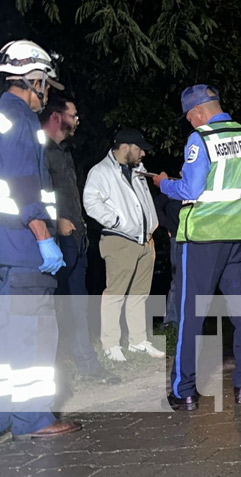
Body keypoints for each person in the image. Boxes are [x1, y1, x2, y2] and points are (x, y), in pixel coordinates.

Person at [153, 85, 241, 410]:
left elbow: (190, 187)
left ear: (199, 112)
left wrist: (164, 184)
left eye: (190, 118)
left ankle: (184, 391)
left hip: (201, 238)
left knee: (191, 315)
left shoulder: (201, 140)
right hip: (235, 238)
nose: (190, 123)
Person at [0, 39, 81, 439]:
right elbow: (22, 184)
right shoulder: (20, 119)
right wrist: (43, 235)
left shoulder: (2, 115)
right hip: (23, 247)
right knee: (32, 337)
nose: (46, 93)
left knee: (9, 339)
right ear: (33, 80)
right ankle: (32, 421)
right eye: (45, 85)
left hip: (5, 248)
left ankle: (5, 418)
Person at [40, 95, 120, 385]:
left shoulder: (63, 151)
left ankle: (87, 365)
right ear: (58, 117)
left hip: (76, 239)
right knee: (51, 309)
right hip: (52, 241)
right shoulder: (39, 150)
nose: (78, 120)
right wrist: (55, 222)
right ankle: (52, 370)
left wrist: (78, 227)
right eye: (74, 114)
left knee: (76, 305)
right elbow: (36, 194)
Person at [83, 127, 164, 362]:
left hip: (144, 240)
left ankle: (138, 341)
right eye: (140, 149)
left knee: (139, 294)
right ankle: (110, 344)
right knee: (115, 294)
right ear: (126, 147)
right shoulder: (101, 171)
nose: (143, 154)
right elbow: (91, 202)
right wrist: (117, 222)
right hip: (120, 240)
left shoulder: (138, 170)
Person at [153, 191, 181, 328]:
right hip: (177, 238)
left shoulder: (198, 184)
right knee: (177, 280)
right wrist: (167, 225)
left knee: (196, 281)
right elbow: (156, 206)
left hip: (197, 238)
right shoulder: (173, 188)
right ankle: (171, 321)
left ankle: (191, 319)